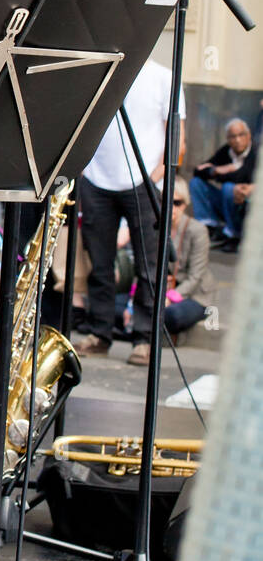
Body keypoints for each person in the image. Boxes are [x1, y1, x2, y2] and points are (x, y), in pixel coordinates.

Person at [73, 56, 185, 358]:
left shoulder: (164, 77)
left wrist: (153, 180)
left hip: (144, 183)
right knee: (100, 265)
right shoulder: (101, 72)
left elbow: (176, 142)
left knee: (147, 267)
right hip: (96, 183)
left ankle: (144, 339)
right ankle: (100, 333)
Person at [128, 176, 215, 366]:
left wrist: (169, 297)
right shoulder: (154, 227)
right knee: (118, 308)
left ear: (185, 205)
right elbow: (143, 269)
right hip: (157, 293)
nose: (171, 208)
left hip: (190, 295)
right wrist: (131, 300)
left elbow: (196, 276)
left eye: (176, 203)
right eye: (164, 201)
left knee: (170, 315)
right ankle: (149, 330)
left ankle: (151, 331)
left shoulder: (197, 230)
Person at [189, 118, 254, 253]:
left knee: (228, 187)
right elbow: (199, 171)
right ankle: (211, 226)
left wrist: (222, 171)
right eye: (232, 136)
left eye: (241, 135)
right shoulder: (226, 151)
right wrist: (216, 170)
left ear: (249, 136)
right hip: (229, 203)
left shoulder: (256, 151)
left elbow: (241, 175)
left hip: (248, 206)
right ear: (227, 139)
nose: (237, 140)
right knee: (196, 183)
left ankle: (234, 234)